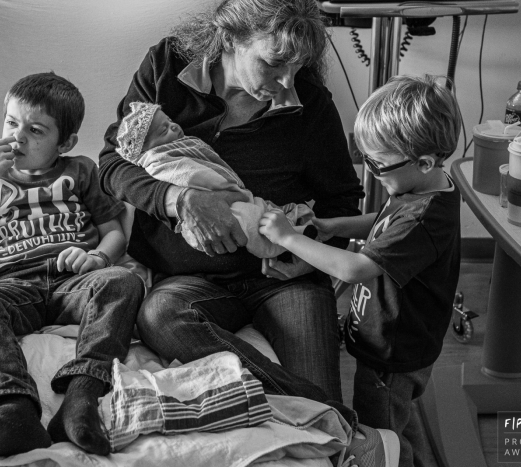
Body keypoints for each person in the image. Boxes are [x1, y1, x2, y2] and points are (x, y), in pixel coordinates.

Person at [99, 0, 365, 433]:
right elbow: (112, 162)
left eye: (297, 69)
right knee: (158, 314)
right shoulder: (166, 67)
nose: (285, 83)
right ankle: (316, 408)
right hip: (193, 281)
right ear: (230, 39)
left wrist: (308, 253)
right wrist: (176, 199)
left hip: (282, 280)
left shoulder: (309, 105)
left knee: (320, 388)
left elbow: (342, 199)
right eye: (274, 64)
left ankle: (322, 415)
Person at [259, 74, 462, 467]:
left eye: (378, 163)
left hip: (393, 354)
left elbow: (354, 269)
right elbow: (386, 222)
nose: (370, 170)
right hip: (393, 343)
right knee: (401, 419)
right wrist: (337, 226)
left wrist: (286, 237)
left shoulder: (423, 217)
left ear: (423, 162)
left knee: (379, 434)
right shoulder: (422, 188)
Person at [0, 72, 144, 458]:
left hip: (75, 280)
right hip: (14, 285)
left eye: (35, 130)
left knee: (123, 282)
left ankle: (81, 397)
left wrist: (97, 258)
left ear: (65, 141)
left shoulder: (82, 170)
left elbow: (116, 234)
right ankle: (12, 412)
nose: (17, 137)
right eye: (11, 122)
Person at [115, 101, 317, 259]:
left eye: (169, 120)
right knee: (251, 223)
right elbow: (189, 175)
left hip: (234, 202)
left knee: (262, 210)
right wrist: (221, 191)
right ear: (146, 149)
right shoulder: (158, 160)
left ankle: (294, 229)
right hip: (213, 216)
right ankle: (286, 243)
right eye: (163, 130)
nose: (174, 127)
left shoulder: (183, 143)